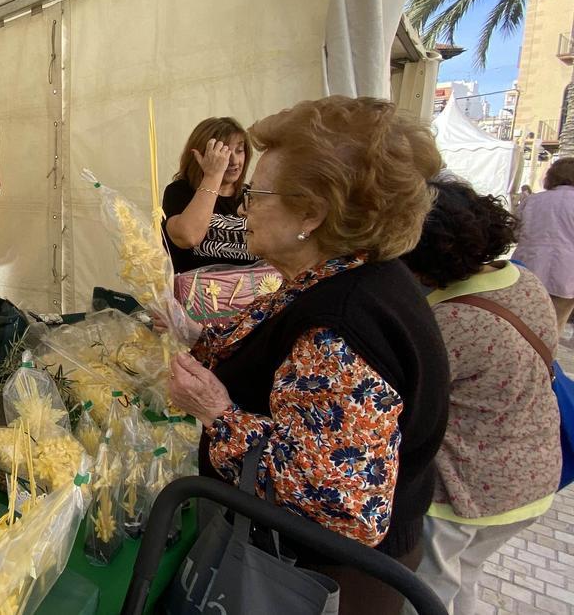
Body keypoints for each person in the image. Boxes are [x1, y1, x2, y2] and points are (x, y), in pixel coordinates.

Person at [166, 96, 450, 615]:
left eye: (256, 193)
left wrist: (216, 413)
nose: (244, 206)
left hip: (313, 584)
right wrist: (196, 334)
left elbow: (339, 501)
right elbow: (270, 327)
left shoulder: (342, 326)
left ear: (312, 213)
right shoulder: (341, 275)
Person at [400, 180, 561, 614]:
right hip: (534, 477)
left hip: (467, 493)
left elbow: (402, 403)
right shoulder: (524, 281)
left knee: (426, 594)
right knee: (463, 577)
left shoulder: (451, 320)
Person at [161, 117, 257, 272]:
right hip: (196, 294)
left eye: (239, 151)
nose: (233, 161)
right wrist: (213, 175)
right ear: (200, 156)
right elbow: (188, 237)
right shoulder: (179, 191)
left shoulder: (253, 195)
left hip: (253, 293)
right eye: (222, 153)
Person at [513, 156, 574, 334]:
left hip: (528, 268)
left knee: (523, 323)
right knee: (555, 325)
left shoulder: (532, 201)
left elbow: (515, 232)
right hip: (567, 275)